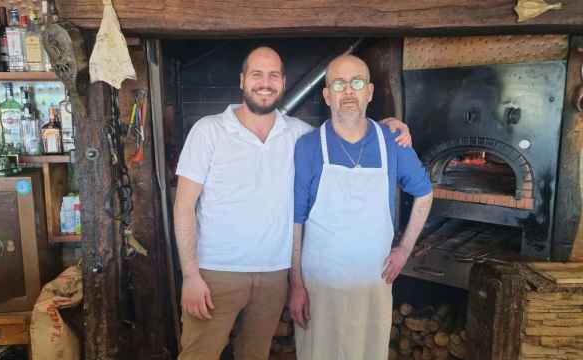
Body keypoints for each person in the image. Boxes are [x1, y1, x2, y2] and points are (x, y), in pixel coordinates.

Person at [173, 46, 411, 360]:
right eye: (257, 74)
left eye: (273, 75)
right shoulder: (208, 130)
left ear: (283, 83)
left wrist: (388, 126)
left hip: (274, 276)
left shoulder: (299, 135)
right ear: (242, 80)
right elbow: (183, 206)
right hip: (216, 273)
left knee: (254, 355)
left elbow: (346, 130)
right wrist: (190, 275)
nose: (265, 82)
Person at [290, 54, 434, 360]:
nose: (348, 91)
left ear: (368, 92)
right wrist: (296, 285)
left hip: (374, 283)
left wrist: (405, 250)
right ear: (327, 95)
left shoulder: (392, 141)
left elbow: (424, 193)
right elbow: (296, 220)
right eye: (339, 84)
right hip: (319, 286)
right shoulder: (307, 146)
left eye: (356, 82)